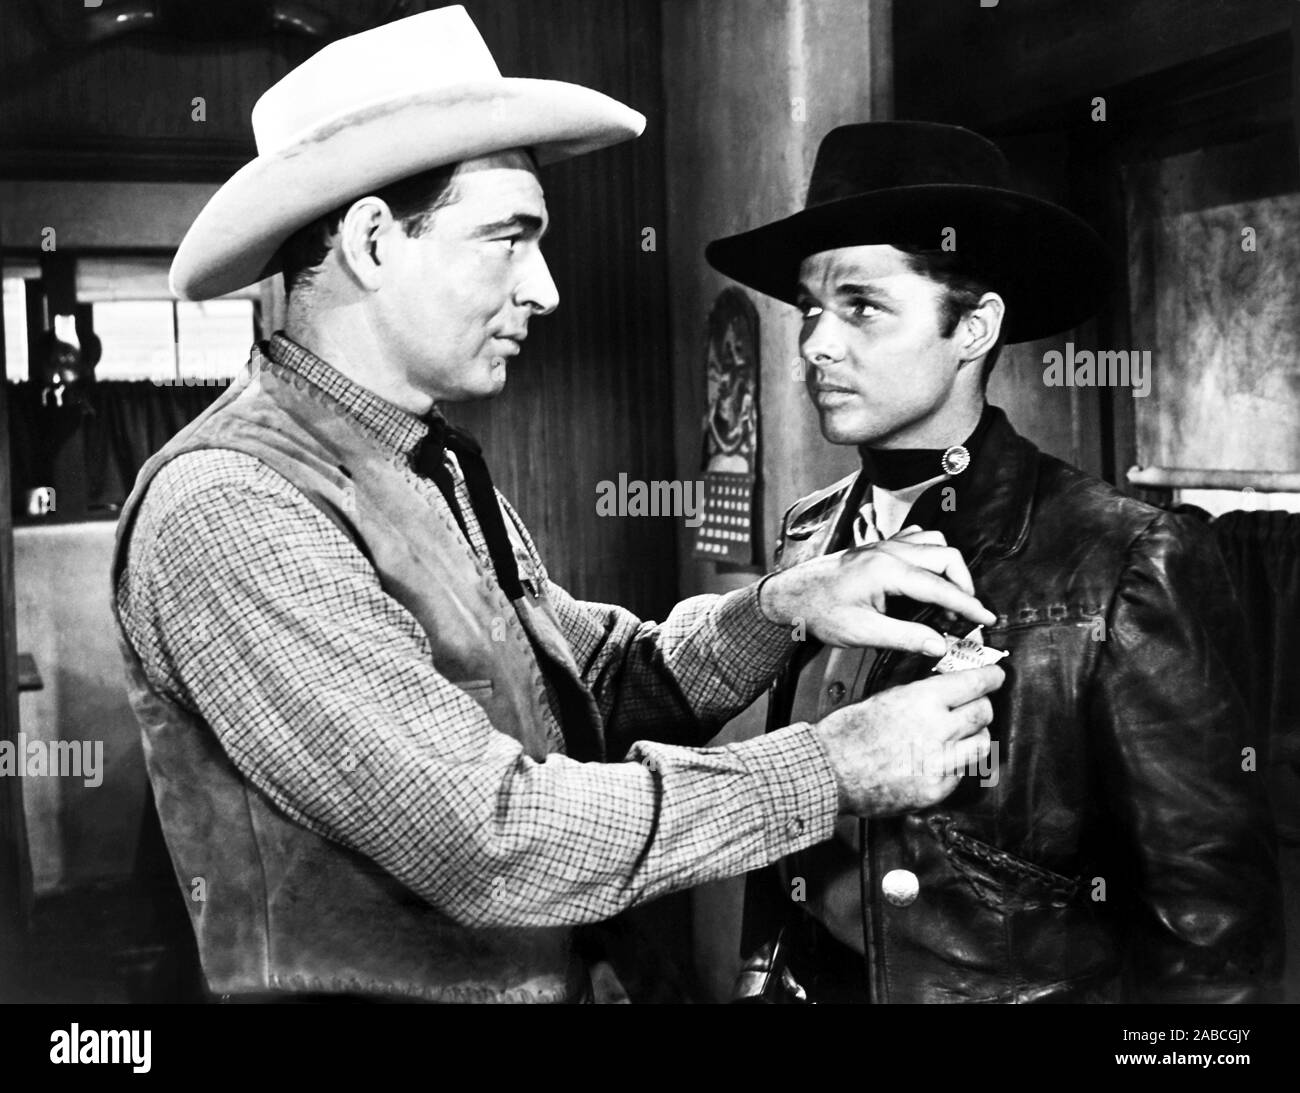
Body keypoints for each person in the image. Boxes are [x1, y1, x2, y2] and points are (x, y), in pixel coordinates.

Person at [111, 11, 1003, 1004]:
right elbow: (485, 837)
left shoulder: (430, 466)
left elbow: (602, 682)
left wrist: (786, 604)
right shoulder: (233, 504)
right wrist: (831, 767)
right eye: (507, 239)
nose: (543, 289)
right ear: (371, 240)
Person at [708, 120, 1283, 1004]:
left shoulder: (1124, 556)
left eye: (861, 307)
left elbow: (1212, 938)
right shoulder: (812, 534)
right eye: (809, 311)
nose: (816, 345)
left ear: (973, 326)